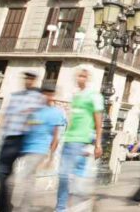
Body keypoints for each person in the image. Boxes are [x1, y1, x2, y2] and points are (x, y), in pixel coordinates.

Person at [0, 71, 45, 212]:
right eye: (26, 78)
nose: (28, 81)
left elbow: (38, 118)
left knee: (23, 176)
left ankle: (17, 207)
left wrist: (30, 122)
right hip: (9, 137)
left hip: (24, 138)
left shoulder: (37, 98)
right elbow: (6, 115)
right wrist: (2, 132)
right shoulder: (15, 97)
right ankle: (4, 205)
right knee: (3, 173)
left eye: (31, 79)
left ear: (35, 80)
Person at [56, 68, 103, 212]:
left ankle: (62, 207)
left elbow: (98, 120)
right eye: (79, 76)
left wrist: (98, 144)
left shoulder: (94, 96)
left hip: (81, 140)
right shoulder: (75, 96)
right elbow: (71, 119)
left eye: (84, 76)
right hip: (69, 139)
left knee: (68, 175)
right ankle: (63, 206)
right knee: (64, 175)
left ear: (88, 79)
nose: (80, 79)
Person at [17, 81, 65, 212]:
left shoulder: (56, 113)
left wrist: (51, 156)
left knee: (23, 177)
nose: (47, 97)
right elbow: (26, 128)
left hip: (40, 149)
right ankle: (26, 206)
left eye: (50, 94)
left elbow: (56, 136)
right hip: (27, 148)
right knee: (29, 179)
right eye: (45, 94)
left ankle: (24, 208)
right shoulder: (34, 111)